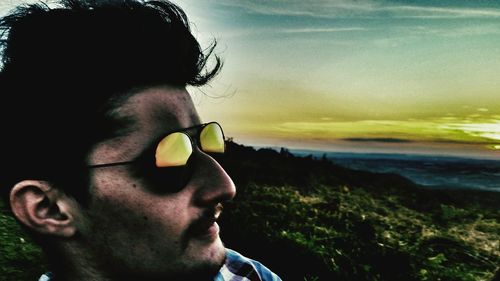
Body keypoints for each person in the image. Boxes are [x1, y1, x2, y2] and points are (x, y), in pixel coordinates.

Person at [0, 0, 281, 280]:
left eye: (205, 141)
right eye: (171, 160)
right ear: (49, 209)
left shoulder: (251, 276)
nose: (225, 186)